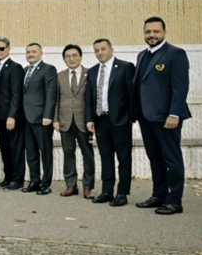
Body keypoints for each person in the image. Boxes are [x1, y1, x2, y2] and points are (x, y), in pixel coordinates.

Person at [133, 17, 191, 215]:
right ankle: (159, 195)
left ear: (164, 32)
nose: (152, 35)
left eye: (156, 31)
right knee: (154, 158)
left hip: (167, 118)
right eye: (148, 31)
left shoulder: (175, 54)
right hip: (146, 118)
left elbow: (180, 87)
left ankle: (175, 201)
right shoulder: (142, 55)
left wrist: (174, 113)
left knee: (171, 159)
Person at [85, 39, 135, 207]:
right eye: (96, 50)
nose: (100, 52)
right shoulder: (92, 72)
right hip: (100, 120)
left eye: (103, 49)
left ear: (111, 49)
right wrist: (90, 118)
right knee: (106, 157)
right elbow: (89, 98)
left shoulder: (125, 67)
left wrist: (130, 117)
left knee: (123, 158)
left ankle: (122, 193)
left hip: (120, 120)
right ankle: (107, 191)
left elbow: (132, 94)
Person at [54, 44, 95, 199]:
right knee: (68, 153)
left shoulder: (90, 74)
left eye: (74, 55)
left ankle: (87, 187)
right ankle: (71, 185)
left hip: (84, 121)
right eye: (68, 56)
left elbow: (93, 99)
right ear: (64, 59)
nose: (71, 59)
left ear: (80, 57)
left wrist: (92, 119)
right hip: (65, 121)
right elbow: (56, 100)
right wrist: (55, 119)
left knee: (87, 154)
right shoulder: (60, 76)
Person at [21, 43, 58, 195]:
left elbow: (51, 93)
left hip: (42, 119)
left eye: (34, 51)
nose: (31, 54)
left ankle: (46, 183)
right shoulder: (24, 71)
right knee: (31, 153)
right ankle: (34, 180)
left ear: (41, 53)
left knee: (45, 152)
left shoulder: (48, 69)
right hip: (26, 118)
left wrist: (48, 116)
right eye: (28, 52)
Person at [0, 38, 26, 191]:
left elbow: (16, 94)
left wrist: (12, 115)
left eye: (1, 48)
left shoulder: (15, 67)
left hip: (11, 117)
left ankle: (18, 179)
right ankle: (8, 176)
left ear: (8, 49)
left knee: (15, 148)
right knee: (5, 148)